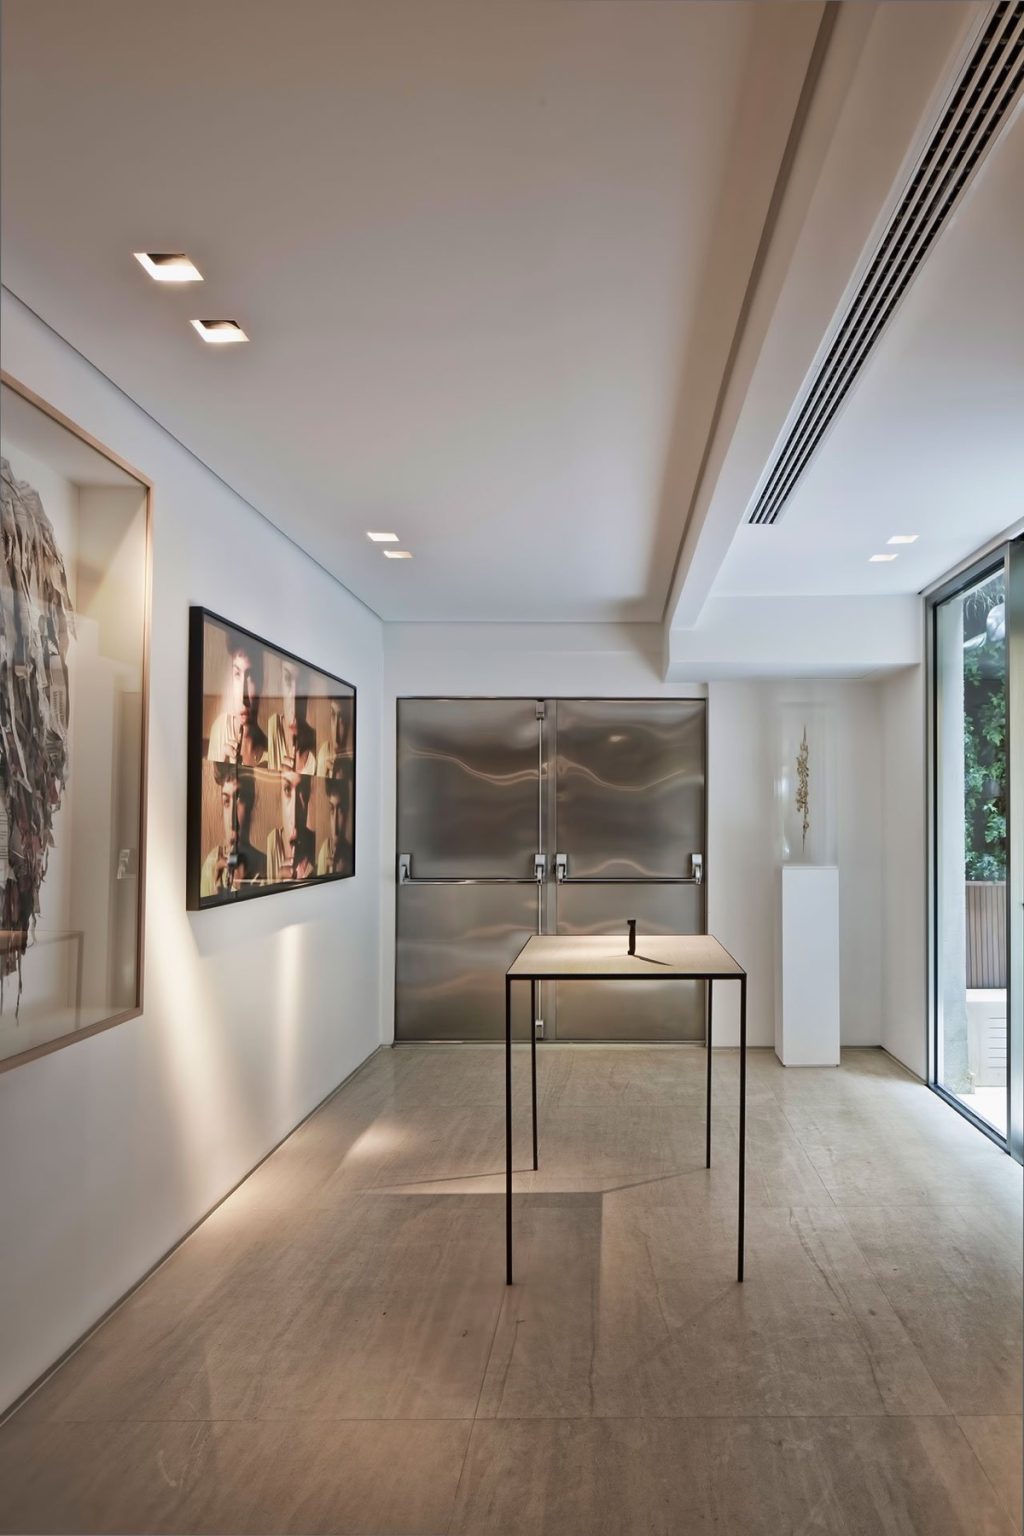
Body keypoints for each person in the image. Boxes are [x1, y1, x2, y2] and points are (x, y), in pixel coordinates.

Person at [200, 763, 266, 896]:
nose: (231, 821)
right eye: (226, 801)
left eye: (239, 800)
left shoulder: (266, 867)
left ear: (251, 803)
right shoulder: (212, 864)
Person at [207, 628, 268, 766]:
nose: (243, 698)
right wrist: (221, 766)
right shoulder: (220, 728)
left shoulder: (269, 750)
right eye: (237, 674)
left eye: (250, 677)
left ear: (261, 682)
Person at [268, 657, 317, 773]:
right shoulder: (270, 730)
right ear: (280, 684)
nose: (294, 700)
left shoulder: (317, 749)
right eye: (287, 680)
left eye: (302, 684)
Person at [266, 767, 315, 882]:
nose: (294, 813)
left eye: (302, 791)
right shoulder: (271, 842)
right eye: (287, 789)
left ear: (308, 796)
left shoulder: (316, 847)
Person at [317, 769, 353, 875]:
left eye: (341, 810)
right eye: (332, 809)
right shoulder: (324, 851)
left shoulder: (352, 855)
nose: (335, 824)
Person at [316, 695, 352, 778]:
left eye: (342, 719)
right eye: (333, 714)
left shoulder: (351, 764)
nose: (336, 730)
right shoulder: (324, 751)